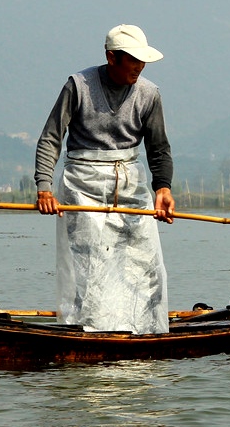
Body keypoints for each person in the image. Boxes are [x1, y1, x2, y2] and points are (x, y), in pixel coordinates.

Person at [34, 24, 175, 334]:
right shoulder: (78, 86)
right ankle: (89, 332)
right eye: (133, 60)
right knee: (90, 267)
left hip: (130, 183)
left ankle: (144, 331)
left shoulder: (149, 94)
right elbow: (50, 139)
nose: (139, 67)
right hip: (82, 183)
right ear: (112, 58)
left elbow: (159, 148)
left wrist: (162, 187)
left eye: (143, 61)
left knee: (145, 264)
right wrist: (44, 187)